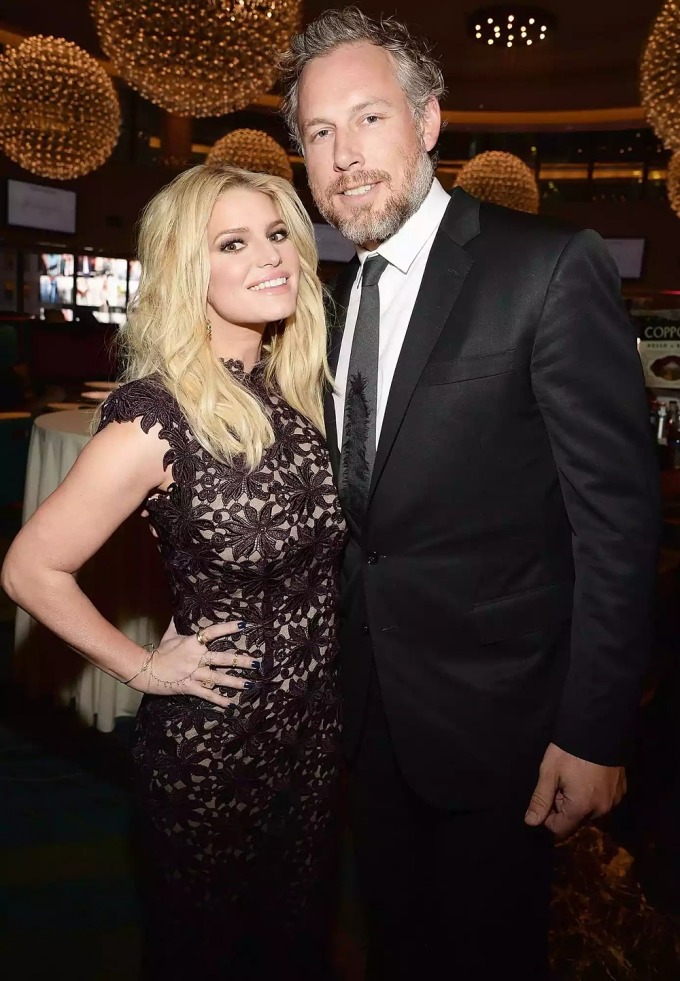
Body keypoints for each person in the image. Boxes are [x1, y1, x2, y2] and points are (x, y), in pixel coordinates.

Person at [277, 8, 661, 978]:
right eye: (318, 133)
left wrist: (593, 731)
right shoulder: (327, 300)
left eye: (369, 118)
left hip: (501, 730)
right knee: (396, 947)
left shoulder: (547, 266)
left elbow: (615, 527)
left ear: (429, 121)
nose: (343, 156)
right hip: (366, 717)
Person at [2, 165, 345, 980]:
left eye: (276, 235)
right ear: (189, 269)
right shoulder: (156, 419)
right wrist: (144, 667)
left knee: (297, 943)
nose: (270, 256)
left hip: (317, 737)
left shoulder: (302, 391)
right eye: (233, 242)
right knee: (205, 953)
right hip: (215, 744)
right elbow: (30, 567)